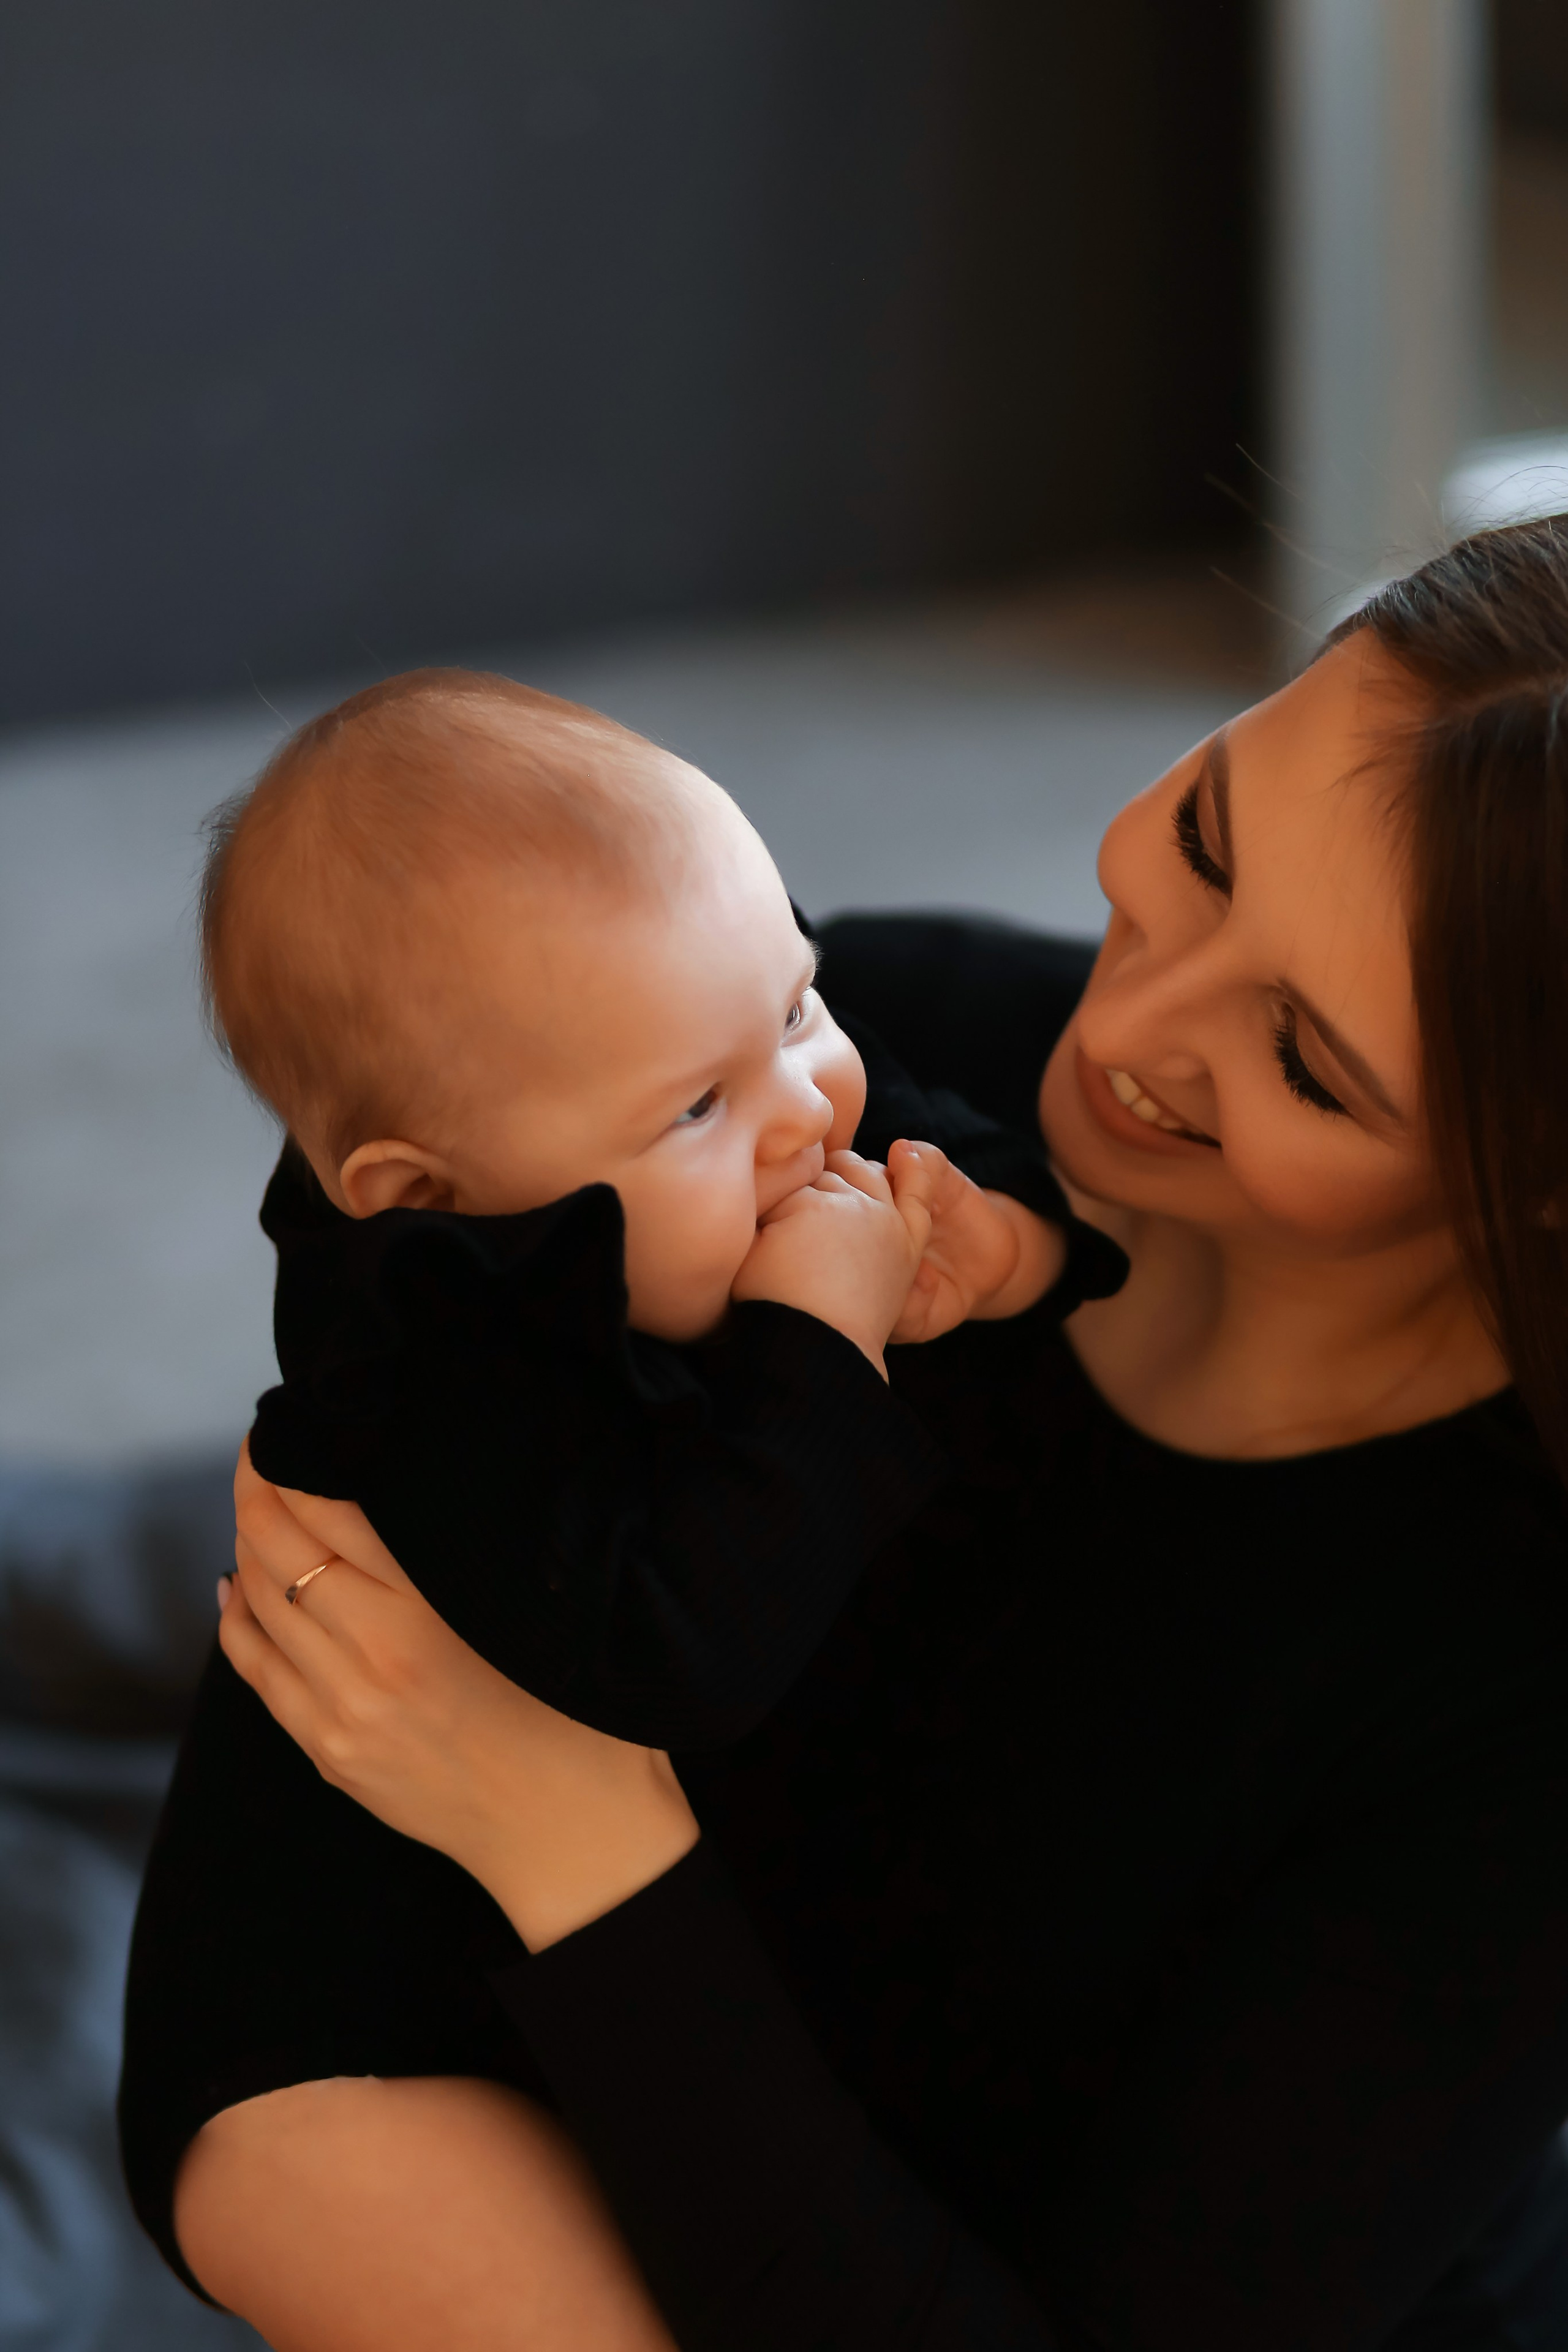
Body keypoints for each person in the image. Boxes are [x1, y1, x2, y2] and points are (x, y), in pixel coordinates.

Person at [141, 519, 1568, 2348]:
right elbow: (266, 2007)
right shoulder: (862, 1054)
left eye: (1308, 1061)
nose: (1130, 1018)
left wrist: (577, 1835)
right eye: (1206, 840)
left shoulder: (1513, 1713)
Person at [186, 668, 1092, 1746]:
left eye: (800, 1004)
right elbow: (682, 1662)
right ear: (432, 1201)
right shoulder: (438, 1378)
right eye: (701, 1106)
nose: (807, 1112)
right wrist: (821, 1344)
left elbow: (948, 1138)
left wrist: (1006, 1247)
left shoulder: (731, 1037)